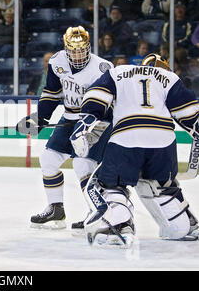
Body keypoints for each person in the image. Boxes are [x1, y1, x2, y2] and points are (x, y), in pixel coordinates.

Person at [70, 53, 199, 248]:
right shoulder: (169, 78)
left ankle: (119, 227)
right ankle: (181, 226)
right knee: (161, 186)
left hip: (126, 137)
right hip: (163, 141)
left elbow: (95, 96)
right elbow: (189, 114)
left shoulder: (119, 71)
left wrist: (87, 119)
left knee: (111, 184)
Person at [17, 26, 114, 230]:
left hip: (96, 121)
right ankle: (56, 209)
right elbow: (52, 92)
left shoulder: (103, 68)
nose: (78, 55)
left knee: (82, 165)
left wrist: (90, 123)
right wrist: (40, 117)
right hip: (69, 116)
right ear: (66, 48)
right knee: (48, 159)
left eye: (82, 50)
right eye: (73, 50)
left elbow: (110, 104)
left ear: (88, 47)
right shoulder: (57, 61)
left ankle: (95, 211)